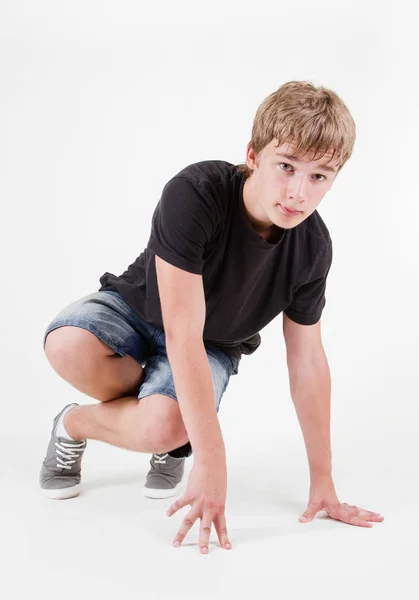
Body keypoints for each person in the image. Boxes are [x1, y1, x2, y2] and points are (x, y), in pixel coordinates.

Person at [40, 80, 384, 554]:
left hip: (212, 343)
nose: (298, 193)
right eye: (285, 167)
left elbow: (307, 362)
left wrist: (323, 482)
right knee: (66, 344)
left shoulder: (313, 249)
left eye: (319, 176)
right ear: (253, 155)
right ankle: (91, 422)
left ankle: (108, 426)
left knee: (163, 427)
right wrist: (210, 454)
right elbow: (180, 328)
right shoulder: (196, 192)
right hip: (140, 309)